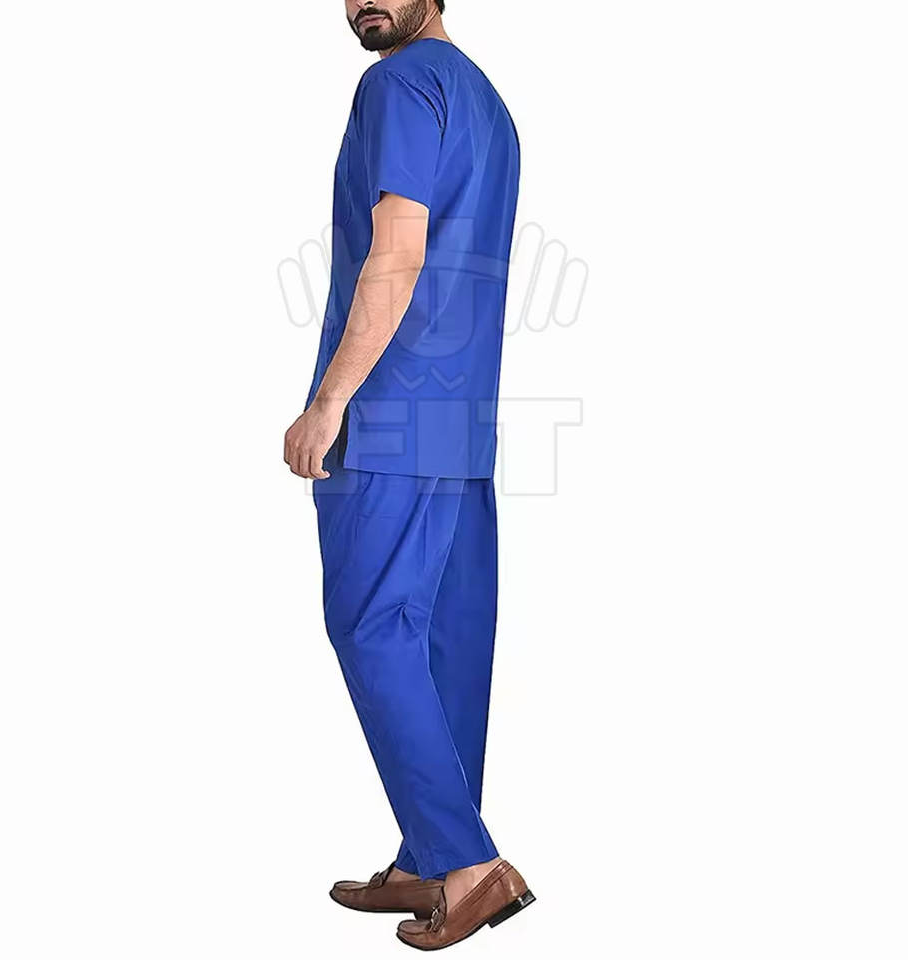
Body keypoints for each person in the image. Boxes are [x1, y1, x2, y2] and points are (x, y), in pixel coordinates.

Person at [283, 1, 533, 948]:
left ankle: (467, 865)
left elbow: (398, 250)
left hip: (389, 418)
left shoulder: (397, 84)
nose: (361, 2)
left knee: (372, 628)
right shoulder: (487, 102)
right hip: (462, 420)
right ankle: (431, 858)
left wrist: (329, 401)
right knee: (444, 644)